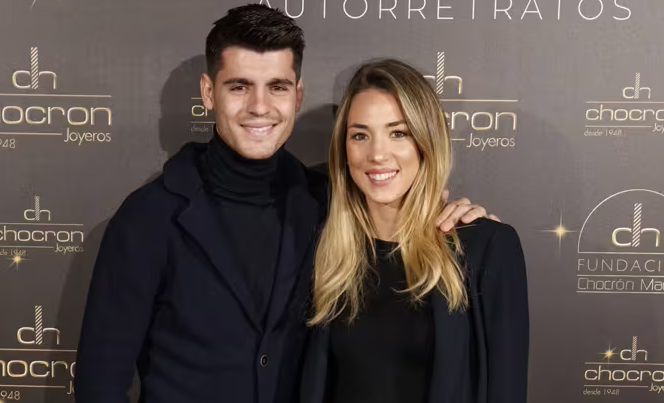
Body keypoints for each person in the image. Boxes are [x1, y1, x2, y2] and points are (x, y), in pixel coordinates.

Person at [74, 5, 496, 403]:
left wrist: (466, 225)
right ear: (208, 92)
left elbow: (402, 226)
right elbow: (100, 382)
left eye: (277, 87)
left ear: (297, 95)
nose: (259, 107)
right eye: (239, 87)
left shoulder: (329, 204)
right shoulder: (149, 217)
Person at [301, 59, 529, 403]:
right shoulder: (323, 247)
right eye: (360, 135)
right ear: (344, 148)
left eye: (398, 133)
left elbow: (505, 388)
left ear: (426, 141)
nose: (377, 154)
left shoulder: (487, 248)